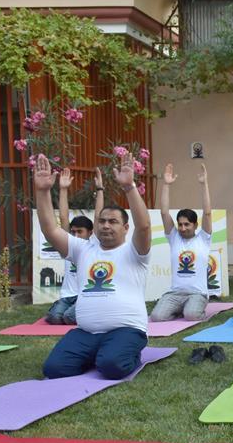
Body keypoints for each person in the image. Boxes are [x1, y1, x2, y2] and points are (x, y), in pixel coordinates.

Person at [36, 152, 152, 379]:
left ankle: (122, 353)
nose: (106, 226)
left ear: (125, 228)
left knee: (112, 366)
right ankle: (98, 352)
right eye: (102, 221)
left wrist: (129, 187)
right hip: (86, 332)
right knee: (55, 369)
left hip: (127, 330)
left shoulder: (134, 250)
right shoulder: (83, 249)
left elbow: (145, 227)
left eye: (113, 222)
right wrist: (42, 191)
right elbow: (50, 229)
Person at [149, 163, 212, 322]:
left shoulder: (203, 238)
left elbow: (207, 213)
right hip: (175, 293)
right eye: (180, 224)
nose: (183, 228)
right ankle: (178, 310)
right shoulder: (174, 237)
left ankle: (193, 310)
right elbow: (164, 212)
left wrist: (204, 184)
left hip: (197, 294)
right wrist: (166, 184)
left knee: (191, 315)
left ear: (195, 225)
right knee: (156, 317)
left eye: (187, 224)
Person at [45, 166, 104, 325]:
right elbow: (63, 218)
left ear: (91, 232)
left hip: (85, 296)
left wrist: (99, 188)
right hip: (67, 296)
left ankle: (94, 309)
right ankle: (60, 309)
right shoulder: (70, 244)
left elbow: (98, 216)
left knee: (69, 317)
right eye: (73, 232)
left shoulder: (94, 244)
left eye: (80, 231)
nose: (75, 235)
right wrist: (63, 189)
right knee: (55, 319)